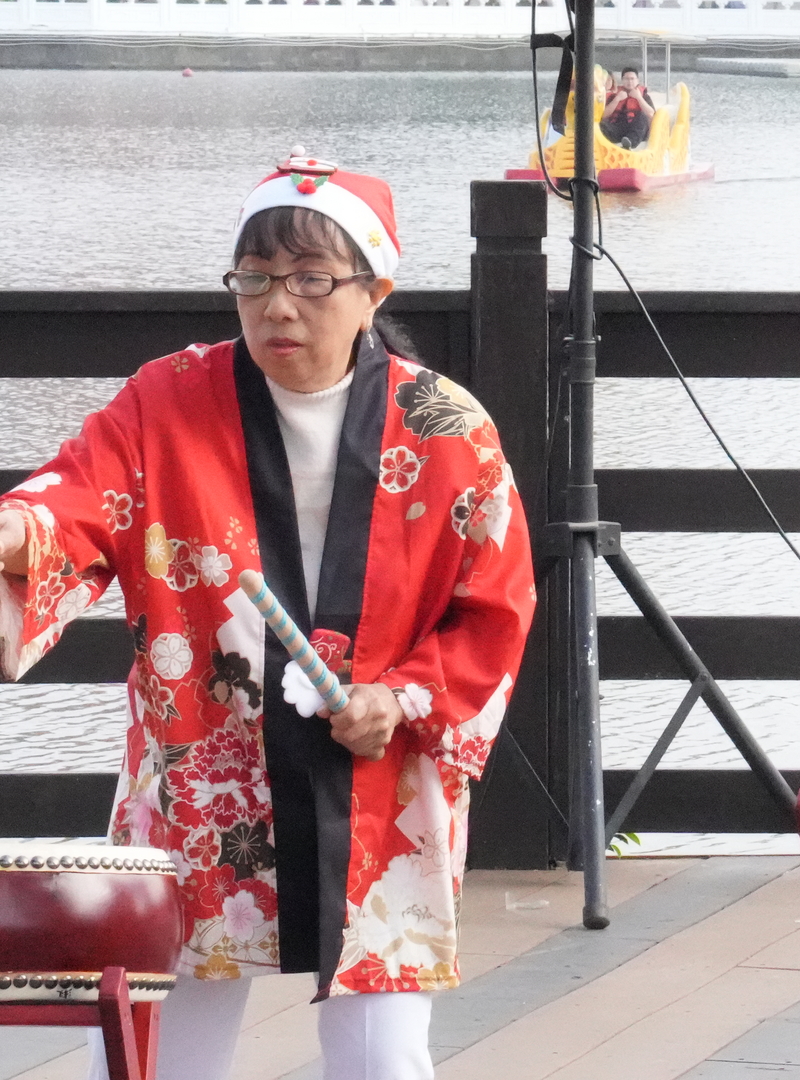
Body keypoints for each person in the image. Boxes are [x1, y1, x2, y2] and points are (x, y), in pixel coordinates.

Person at [0, 151, 537, 1080]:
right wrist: (16, 530)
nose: (277, 305)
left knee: (382, 1058)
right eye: (253, 279)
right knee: (157, 1050)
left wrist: (399, 697)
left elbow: (495, 607)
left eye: (310, 279)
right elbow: (76, 501)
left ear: (374, 292)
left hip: (377, 774)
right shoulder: (167, 399)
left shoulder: (447, 427)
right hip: (201, 761)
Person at [602, 67, 654, 149]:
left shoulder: (644, 96)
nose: (629, 81)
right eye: (626, 79)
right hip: (618, 128)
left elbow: (651, 113)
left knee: (642, 116)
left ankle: (629, 143)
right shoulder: (614, 95)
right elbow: (604, 115)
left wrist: (639, 98)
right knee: (599, 123)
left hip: (636, 128)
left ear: (637, 80)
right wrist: (617, 99)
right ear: (622, 80)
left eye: (632, 79)